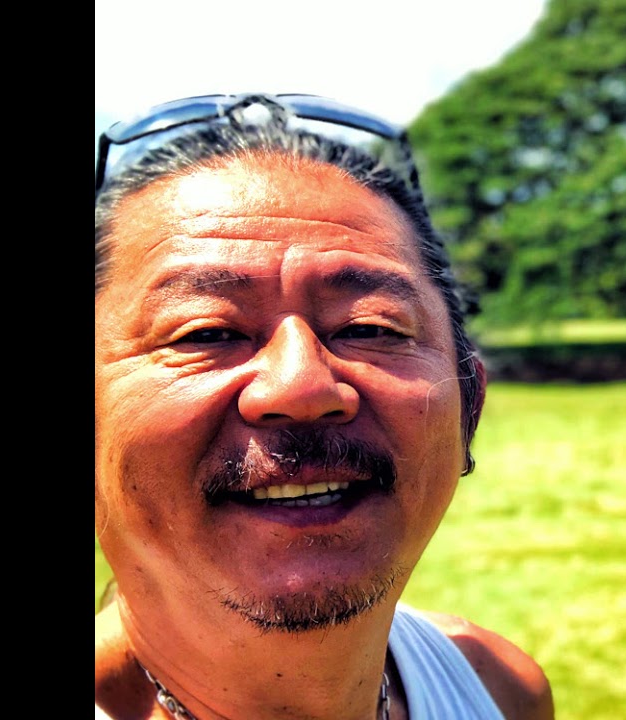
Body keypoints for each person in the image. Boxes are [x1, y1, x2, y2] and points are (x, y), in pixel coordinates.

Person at [94, 93, 554, 720]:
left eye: (371, 328)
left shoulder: (496, 690)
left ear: (468, 405)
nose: (303, 387)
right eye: (206, 332)